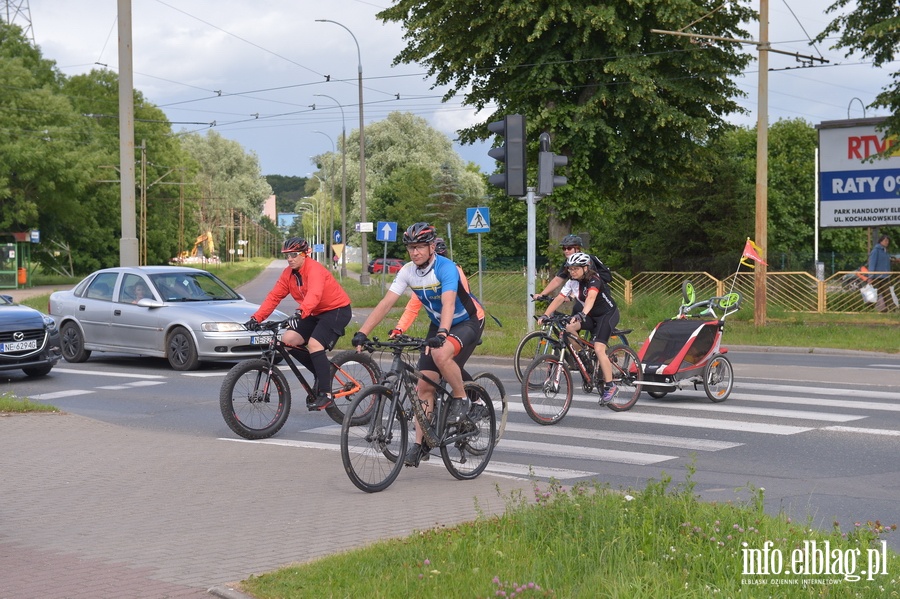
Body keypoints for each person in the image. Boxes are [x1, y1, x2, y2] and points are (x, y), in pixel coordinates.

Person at [351, 223, 485, 467]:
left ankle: (461, 397)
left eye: (420, 247)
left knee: (442, 355)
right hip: (439, 324)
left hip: (467, 320)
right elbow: (386, 303)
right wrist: (363, 331)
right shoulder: (407, 271)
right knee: (424, 386)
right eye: (411, 248)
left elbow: (447, 304)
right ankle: (419, 444)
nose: (415, 252)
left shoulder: (446, 268)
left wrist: (443, 333)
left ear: (432, 246)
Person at [244, 237, 352, 410]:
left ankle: (327, 395)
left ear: (305, 254)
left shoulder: (314, 270)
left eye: (294, 255)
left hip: (336, 310)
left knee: (315, 344)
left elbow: (314, 294)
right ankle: (320, 372)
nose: (290, 259)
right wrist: (256, 318)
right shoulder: (288, 274)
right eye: (287, 255)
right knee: (288, 339)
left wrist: (300, 312)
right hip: (312, 311)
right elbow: (274, 296)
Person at [538, 252, 621, 404]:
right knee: (569, 328)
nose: (572, 272)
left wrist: (581, 314)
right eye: (570, 269)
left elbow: (590, 298)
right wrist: (545, 315)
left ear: (585, 268)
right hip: (589, 315)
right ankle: (583, 355)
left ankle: (611, 386)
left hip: (607, 315)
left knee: (599, 348)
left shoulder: (594, 279)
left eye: (576, 269)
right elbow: (559, 299)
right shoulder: (572, 282)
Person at [532, 235, 612, 313]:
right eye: (564, 248)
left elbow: (585, 281)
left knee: (579, 312)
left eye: (569, 248)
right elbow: (557, 280)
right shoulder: (568, 263)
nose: (566, 251)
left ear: (577, 249)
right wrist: (542, 294)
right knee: (574, 318)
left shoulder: (586, 261)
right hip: (583, 293)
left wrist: (571, 296)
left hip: (598, 294)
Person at [867, 234, 891, 312]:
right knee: (874, 294)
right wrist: (870, 276)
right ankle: (869, 309)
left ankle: (890, 310)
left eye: (888, 241)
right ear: (881, 241)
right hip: (877, 277)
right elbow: (872, 263)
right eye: (885, 241)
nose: (887, 242)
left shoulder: (885, 251)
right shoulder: (876, 251)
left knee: (887, 293)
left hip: (884, 276)